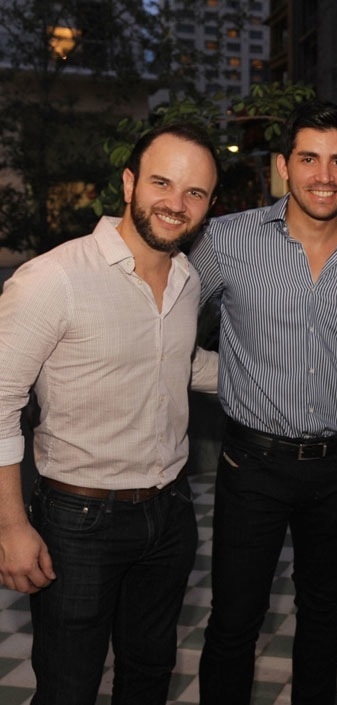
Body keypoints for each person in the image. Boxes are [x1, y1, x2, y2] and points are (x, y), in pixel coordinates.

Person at [0, 123, 220, 704]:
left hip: (170, 514)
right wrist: (11, 526)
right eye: (162, 183)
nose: (177, 204)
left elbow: (179, 363)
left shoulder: (189, 280)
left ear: (209, 205)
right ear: (128, 183)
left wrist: (273, 380)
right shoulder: (54, 279)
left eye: (195, 193)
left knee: (148, 676)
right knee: (69, 687)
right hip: (78, 523)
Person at [191, 100, 337, 705]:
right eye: (308, 159)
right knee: (233, 621)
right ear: (283, 165)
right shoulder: (227, 241)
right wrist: (237, 381)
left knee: (324, 612)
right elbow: (162, 325)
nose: (323, 176)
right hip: (251, 465)